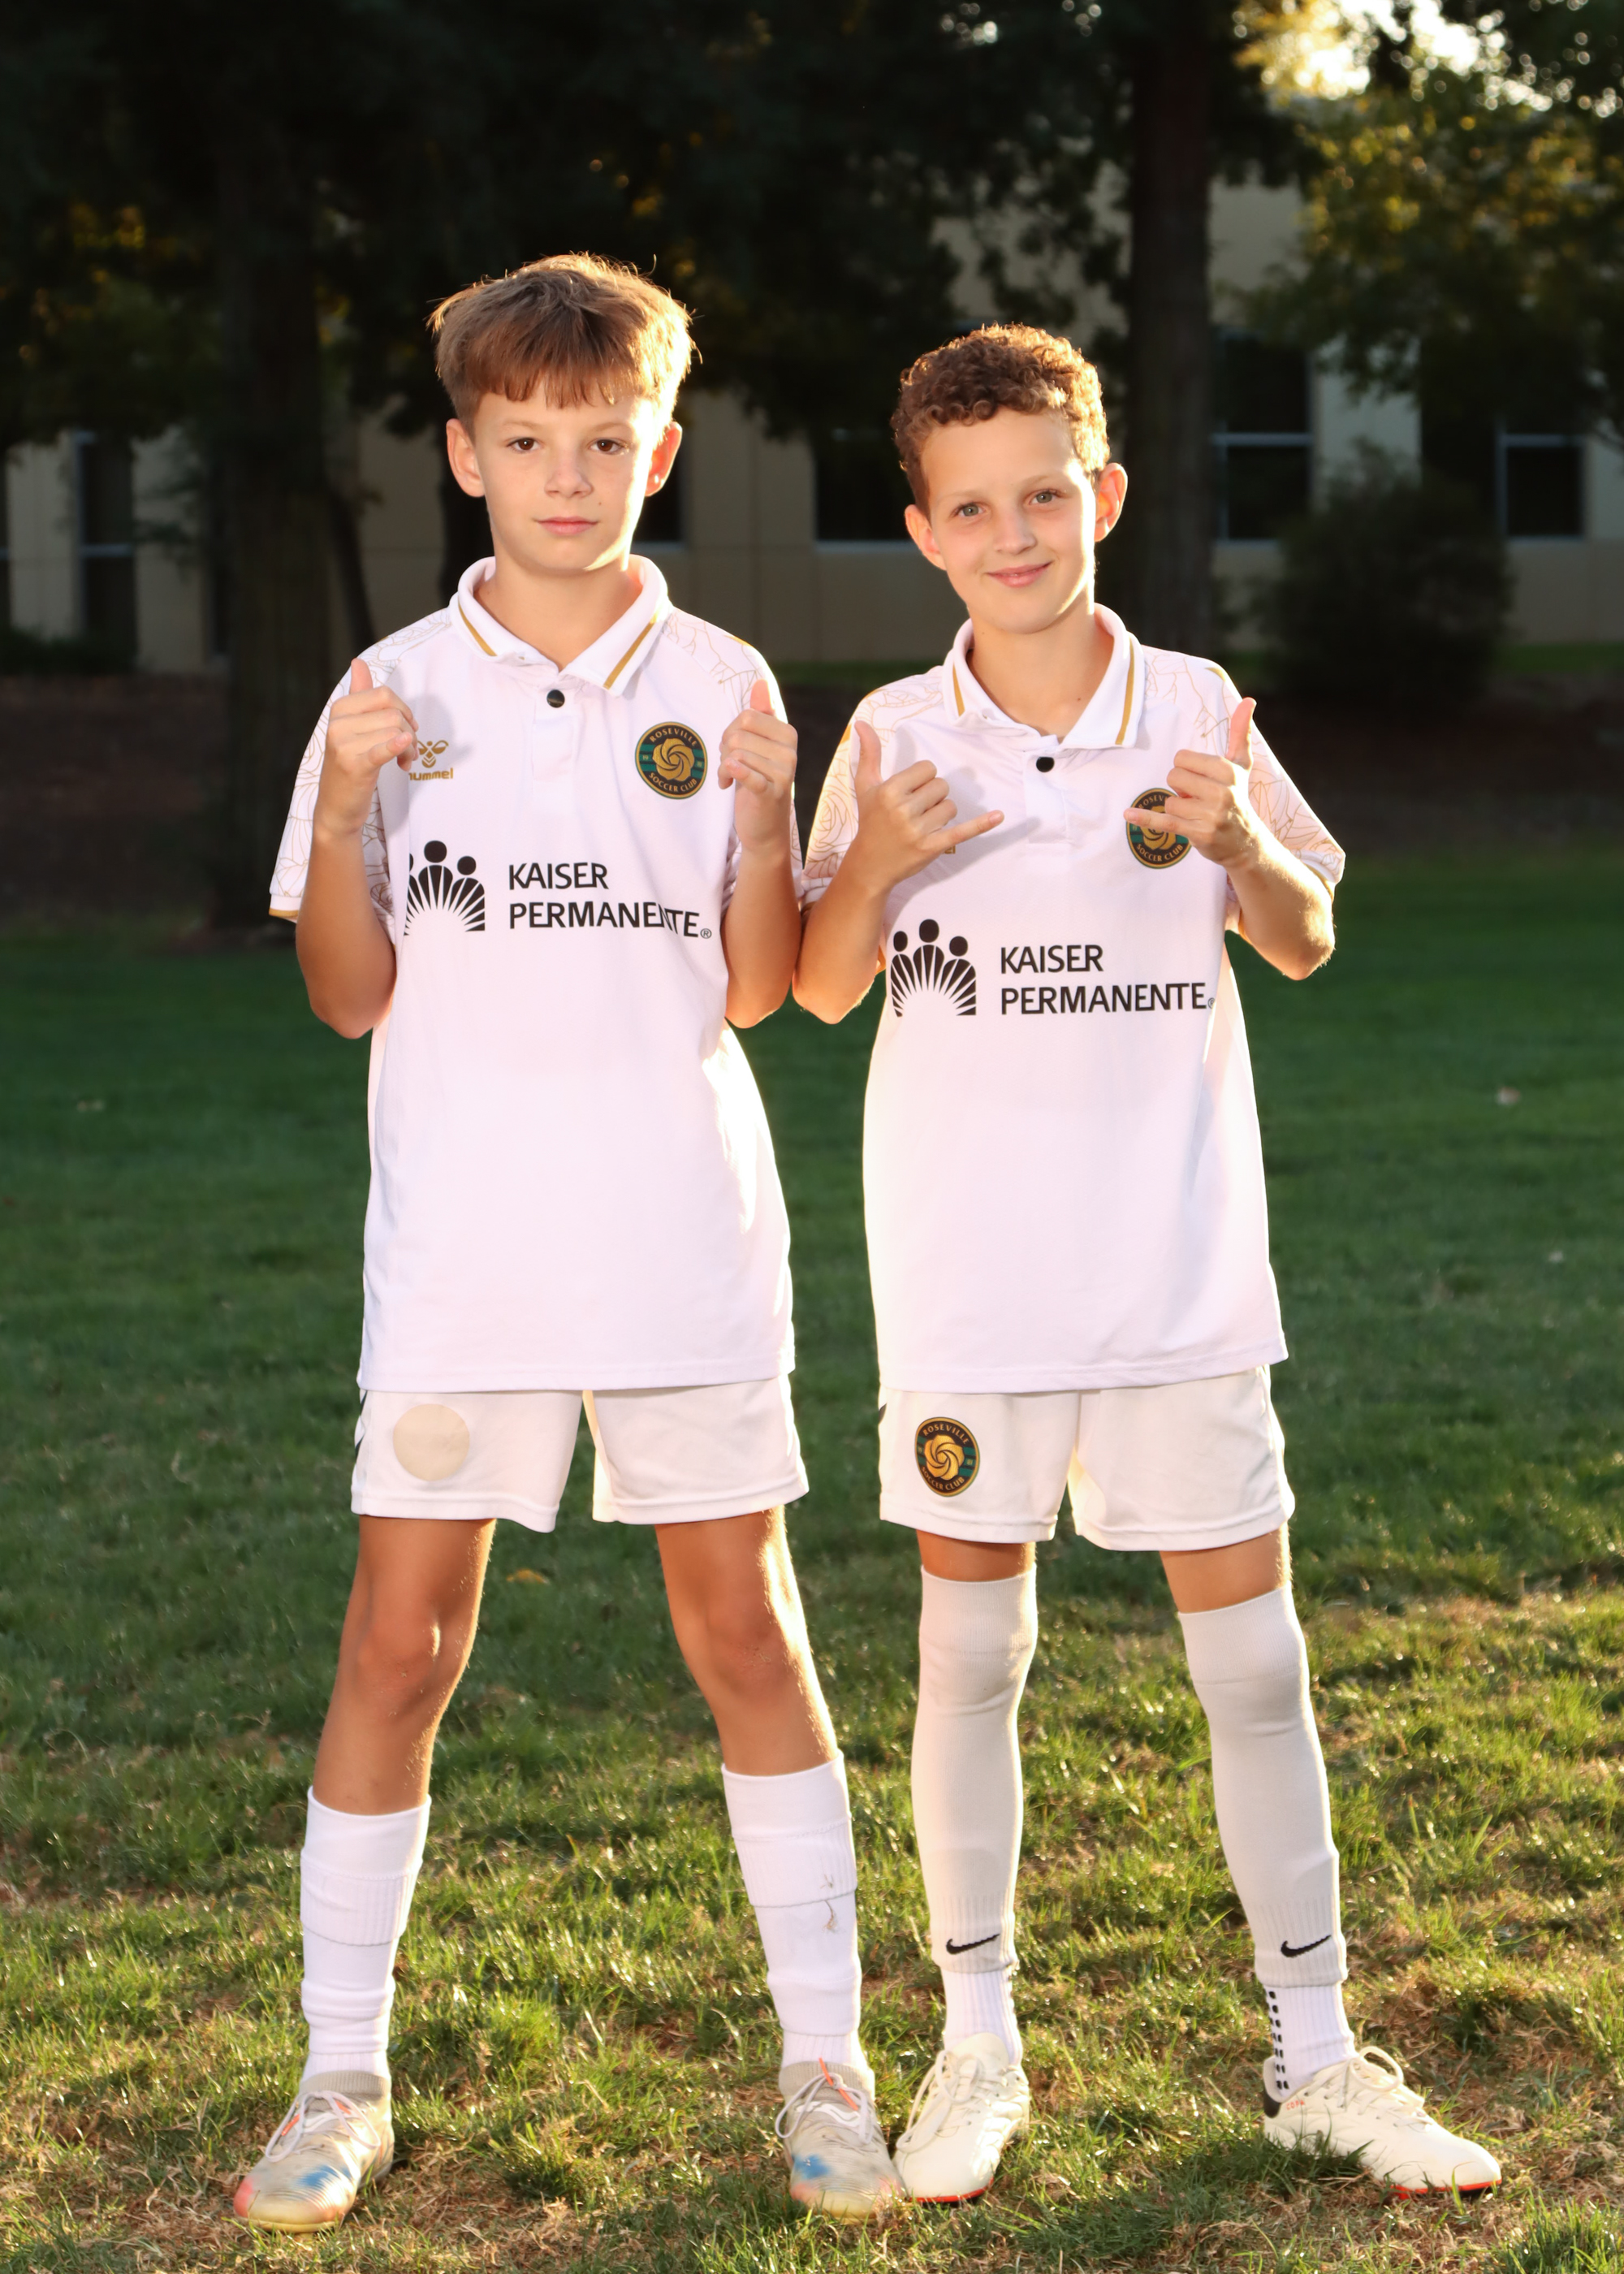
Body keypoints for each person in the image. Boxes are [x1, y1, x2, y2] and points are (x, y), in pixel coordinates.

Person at [793, 323, 1501, 2207]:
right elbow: (816, 982)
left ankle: (1315, 2049)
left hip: (1175, 1268)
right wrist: (867, 864)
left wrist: (1242, 837)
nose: (1013, 534)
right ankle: (976, 2042)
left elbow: (1305, 932)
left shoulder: (1193, 701)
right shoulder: (889, 733)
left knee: (1252, 1661)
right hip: (968, 1278)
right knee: (971, 1654)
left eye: (1045, 495)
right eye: (971, 509)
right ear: (922, 531)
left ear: (1100, 492)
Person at [233, 255, 900, 2233]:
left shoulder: (724, 684)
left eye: (604, 442)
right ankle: (338, 2073)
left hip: (679, 1237)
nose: (565, 475)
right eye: (525, 441)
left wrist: (773, 822)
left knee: (745, 1630)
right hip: (463, 1252)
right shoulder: (388, 693)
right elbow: (345, 995)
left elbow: (758, 986)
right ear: (463, 454)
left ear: (658, 452)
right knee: (398, 1643)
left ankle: (827, 2066)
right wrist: (344, 808)